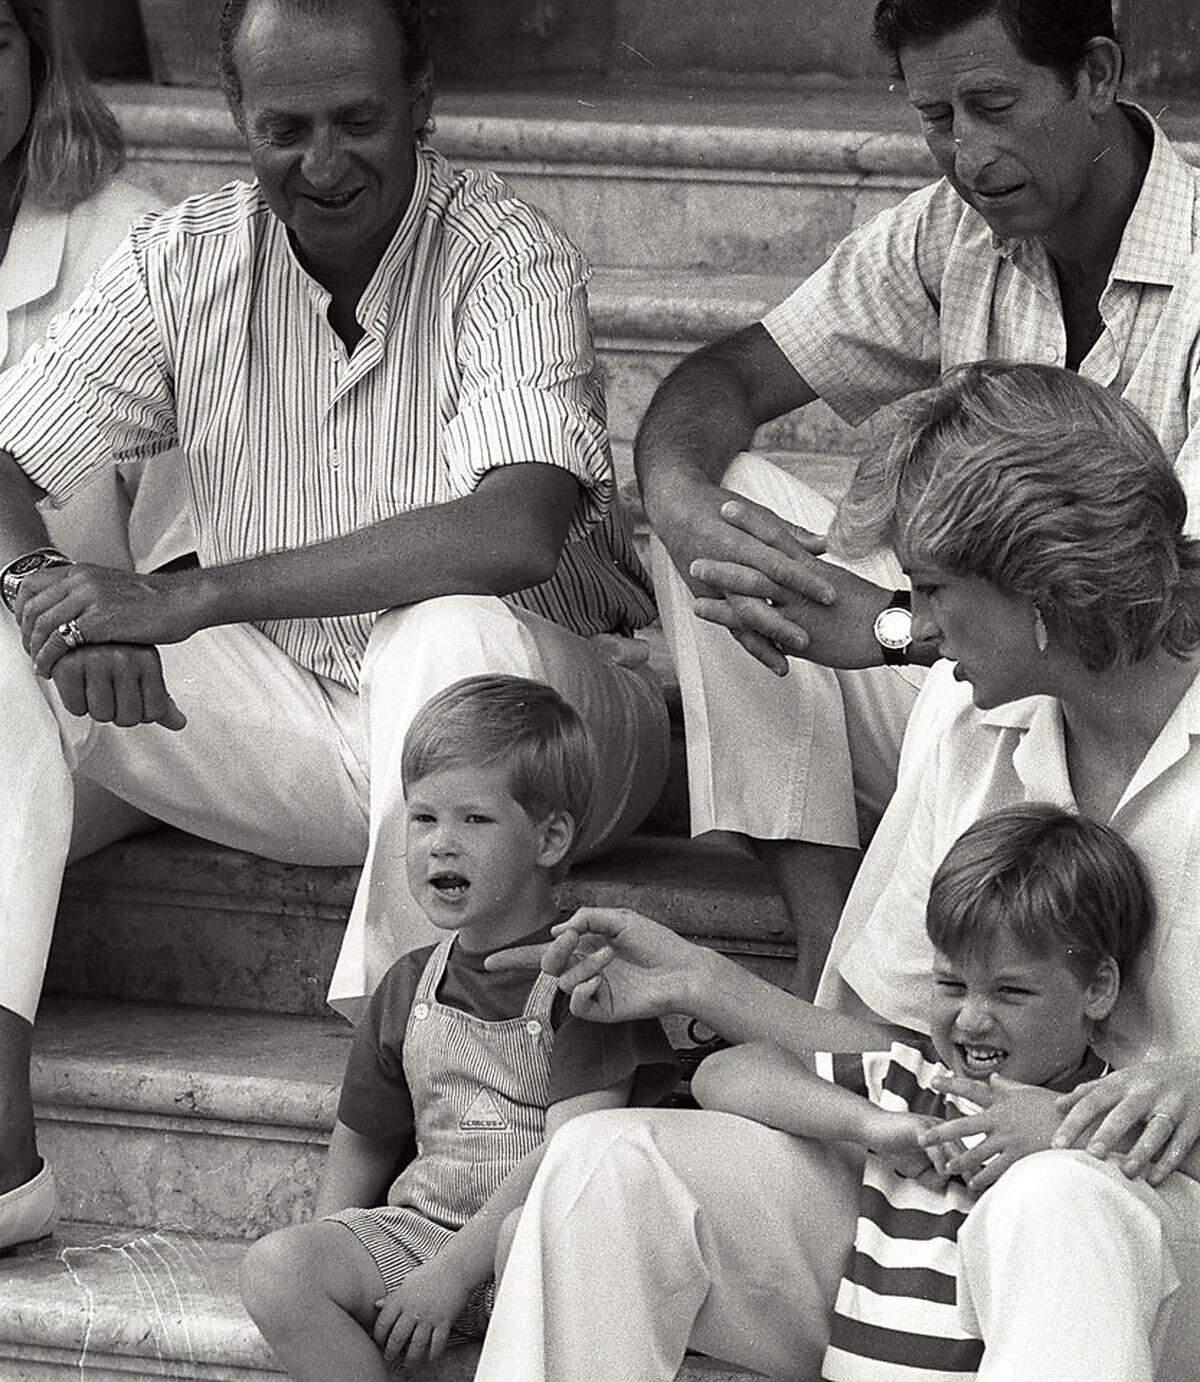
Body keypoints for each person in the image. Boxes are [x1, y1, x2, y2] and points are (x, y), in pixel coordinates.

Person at [0, 0, 670, 1253]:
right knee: (5, 632)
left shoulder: (507, 253)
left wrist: (191, 591)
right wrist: (54, 585)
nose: (323, 160)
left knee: (444, 628)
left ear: (423, 96)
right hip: (309, 722)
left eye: (359, 119)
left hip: (553, 721)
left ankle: (422, 1095)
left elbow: (516, 529)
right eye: (285, 126)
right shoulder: (185, 254)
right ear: (235, 118)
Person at [476, 364, 1200, 1382]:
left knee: (1057, 1199)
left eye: (936, 589)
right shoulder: (966, 717)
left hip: (1157, 1240)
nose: (914, 625)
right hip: (944, 1221)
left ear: (1042, 587)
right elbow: (909, 1048)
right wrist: (698, 976)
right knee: (608, 1165)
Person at [634, 0, 1200, 973]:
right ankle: (825, 929)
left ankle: (875, 995)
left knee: (963, 693)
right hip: (974, 669)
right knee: (730, 499)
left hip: (1138, 721)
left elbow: (1178, 592)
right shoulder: (954, 231)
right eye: (938, 118)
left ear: (1098, 75)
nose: (969, 155)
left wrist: (903, 626)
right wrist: (681, 514)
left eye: (993, 104)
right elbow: (722, 381)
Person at [239, 676, 677, 1381]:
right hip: (421, 1235)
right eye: (423, 819)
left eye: (474, 820)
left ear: (550, 836)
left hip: (535, 1245)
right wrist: (329, 1246)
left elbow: (572, 1161)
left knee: (523, 1238)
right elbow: (363, 1139)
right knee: (277, 1269)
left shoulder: (587, 984)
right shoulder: (409, 983)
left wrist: (452, 1276)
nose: (442, 845)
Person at [695, 803, 1155, 1381]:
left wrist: (1065, 1135)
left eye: (1011, 992)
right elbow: (724, 1074)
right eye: (951, 984)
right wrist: (868, 1124)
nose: (971, 1020)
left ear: (1098, 988)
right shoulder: (919, 1085)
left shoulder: (1110, 1112)